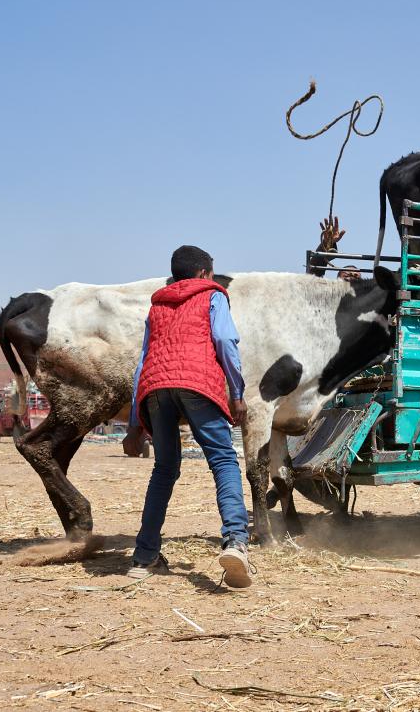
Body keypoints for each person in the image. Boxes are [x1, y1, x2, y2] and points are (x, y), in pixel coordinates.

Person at [122, 245, 253, 588]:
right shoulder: (213, 295)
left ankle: (143, 556)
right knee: (224, 461)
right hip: (197, 383)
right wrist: (236, 393)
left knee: (164, 470)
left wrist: (135, 423)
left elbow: (141, 363)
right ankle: (236, 542)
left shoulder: (157, 305)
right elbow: (224, 340)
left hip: (154, 387)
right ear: (205, 274)